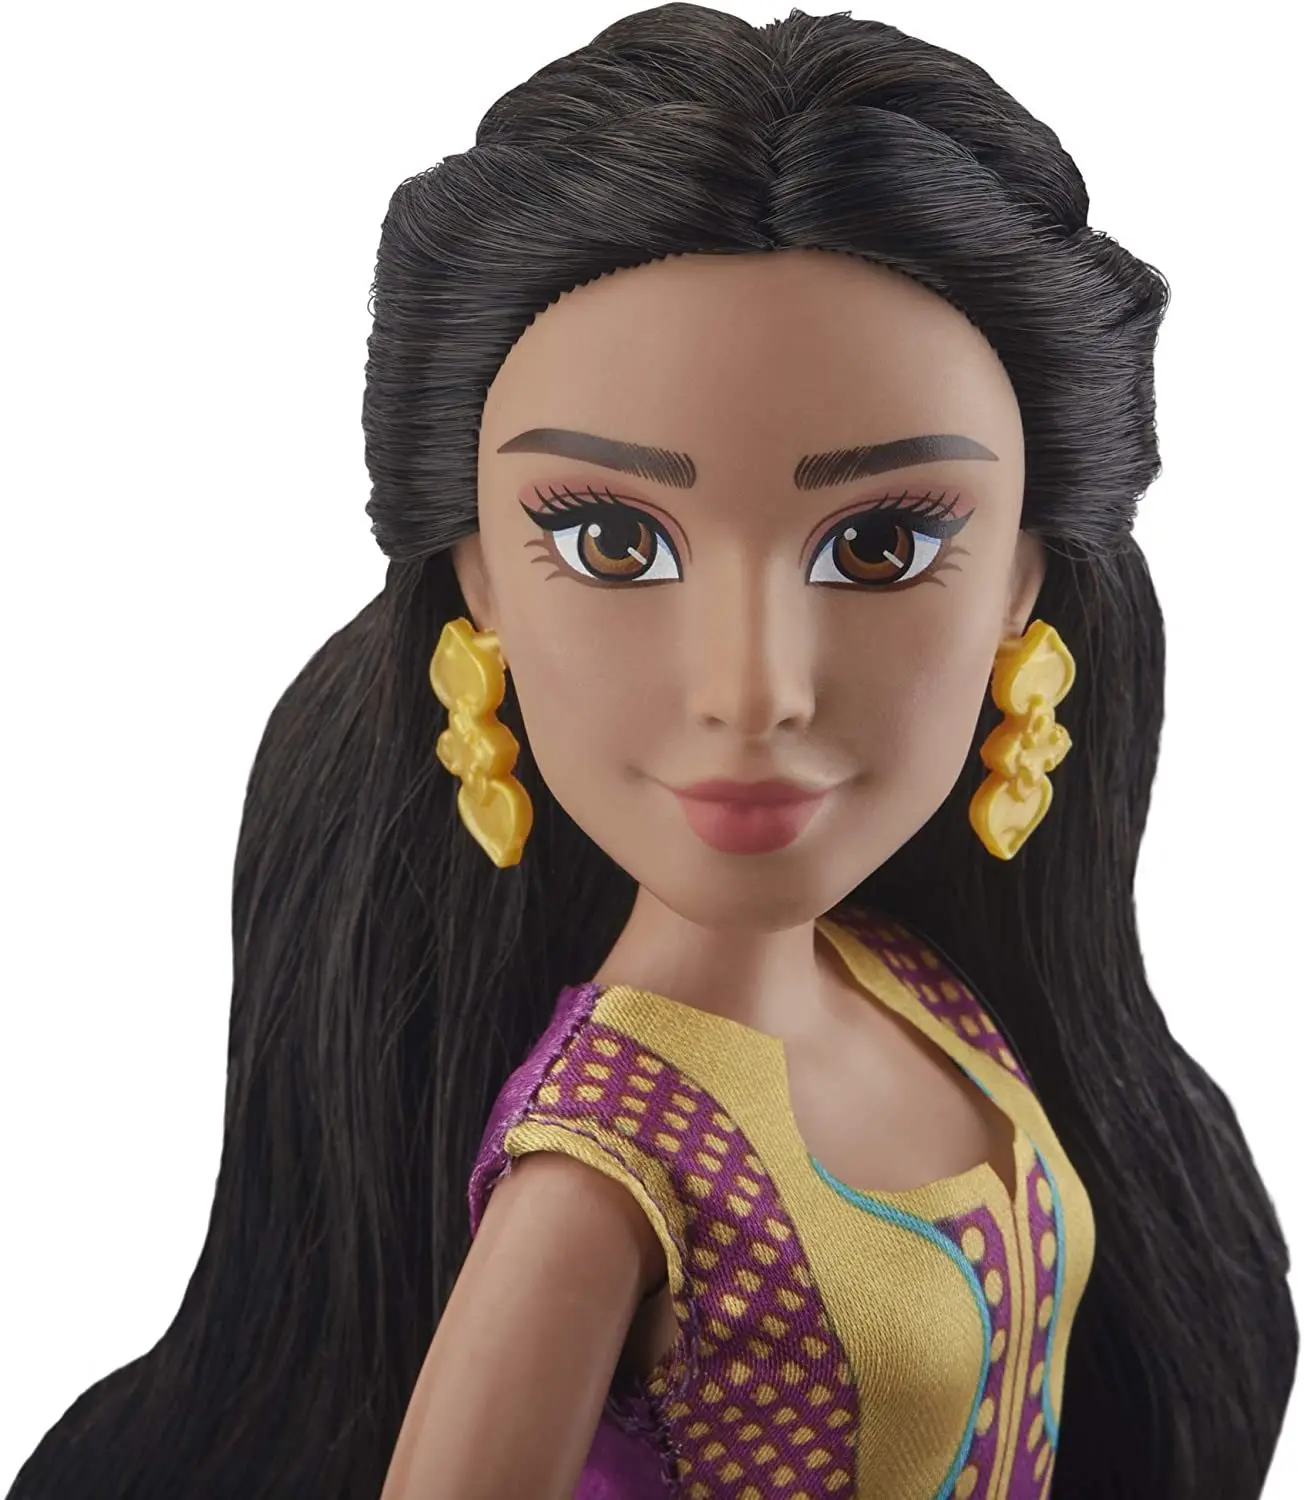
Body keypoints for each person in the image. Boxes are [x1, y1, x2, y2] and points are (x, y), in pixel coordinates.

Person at [9, 5, 1296, 1499]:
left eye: (879, 546)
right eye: (613, 543)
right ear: (479, 580)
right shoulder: (607, 1166)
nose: (753, 690)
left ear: (1022, 580)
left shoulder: (918, 983)